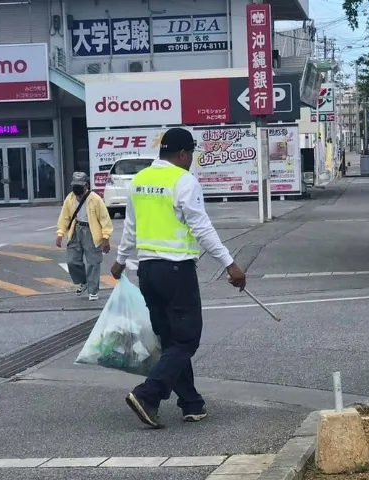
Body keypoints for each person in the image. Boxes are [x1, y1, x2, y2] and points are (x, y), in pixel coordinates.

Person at [111, 127, 246, 428]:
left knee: (172, 340)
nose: (191, 160)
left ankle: (191, 403)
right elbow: (201, 227)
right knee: (186, 339)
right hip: (176, 271)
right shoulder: (183, 181)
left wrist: (120, 262)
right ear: (183, 154)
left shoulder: (139, 180)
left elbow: (130, 228)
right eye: (191, 154)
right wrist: (230, 264)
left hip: (146, 272)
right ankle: (148, 395)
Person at [56, 171, 113, 301]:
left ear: (86, 185)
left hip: (91, 232)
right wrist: (60, 233)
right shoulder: (69, 199)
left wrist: (106, 238)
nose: (76, 188)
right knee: (72, 261)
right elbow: (64, 218)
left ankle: (93, 291)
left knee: (93, 262)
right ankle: (84, 281)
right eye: (74, 185)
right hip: (75, 231)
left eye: (79, 185)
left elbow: (105, 220)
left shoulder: (95, 199)